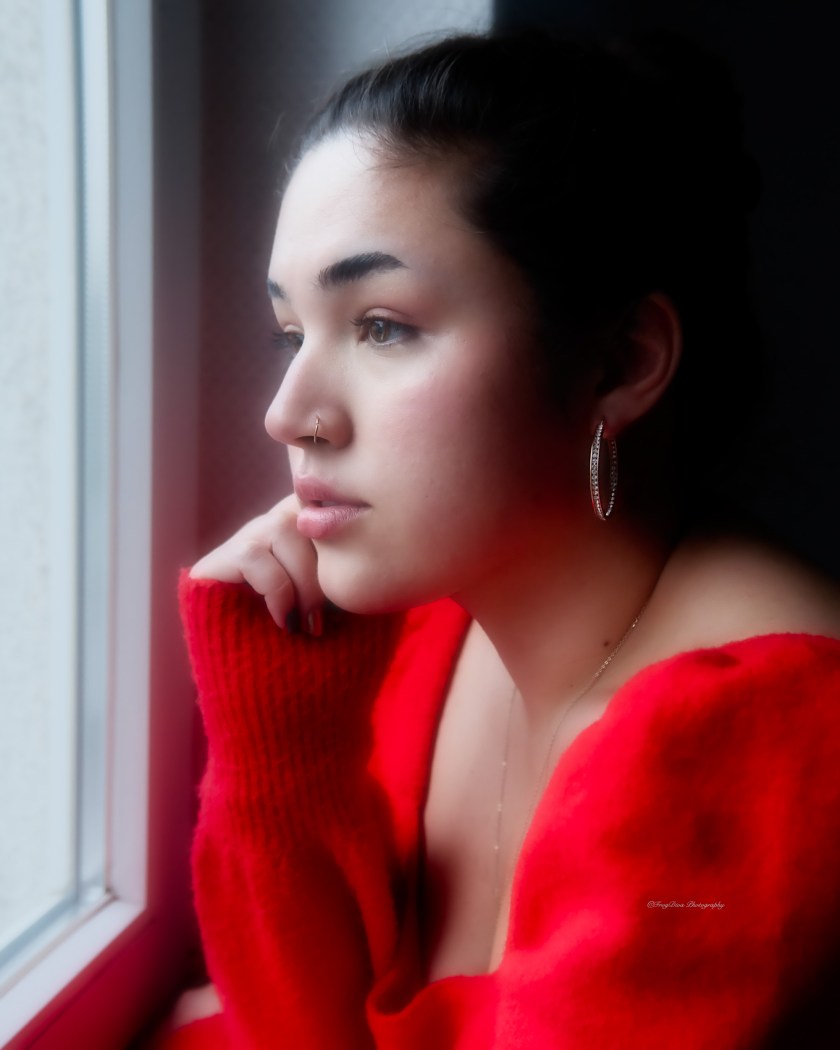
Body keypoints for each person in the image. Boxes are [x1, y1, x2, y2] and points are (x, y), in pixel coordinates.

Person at [160, 29, 840, 1049]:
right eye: (292, 333)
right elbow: (296, 1024)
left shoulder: (763, 744)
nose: (287, 413)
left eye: (382, 325)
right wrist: (279, 750)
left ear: (620, 362)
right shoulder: (438, 626)